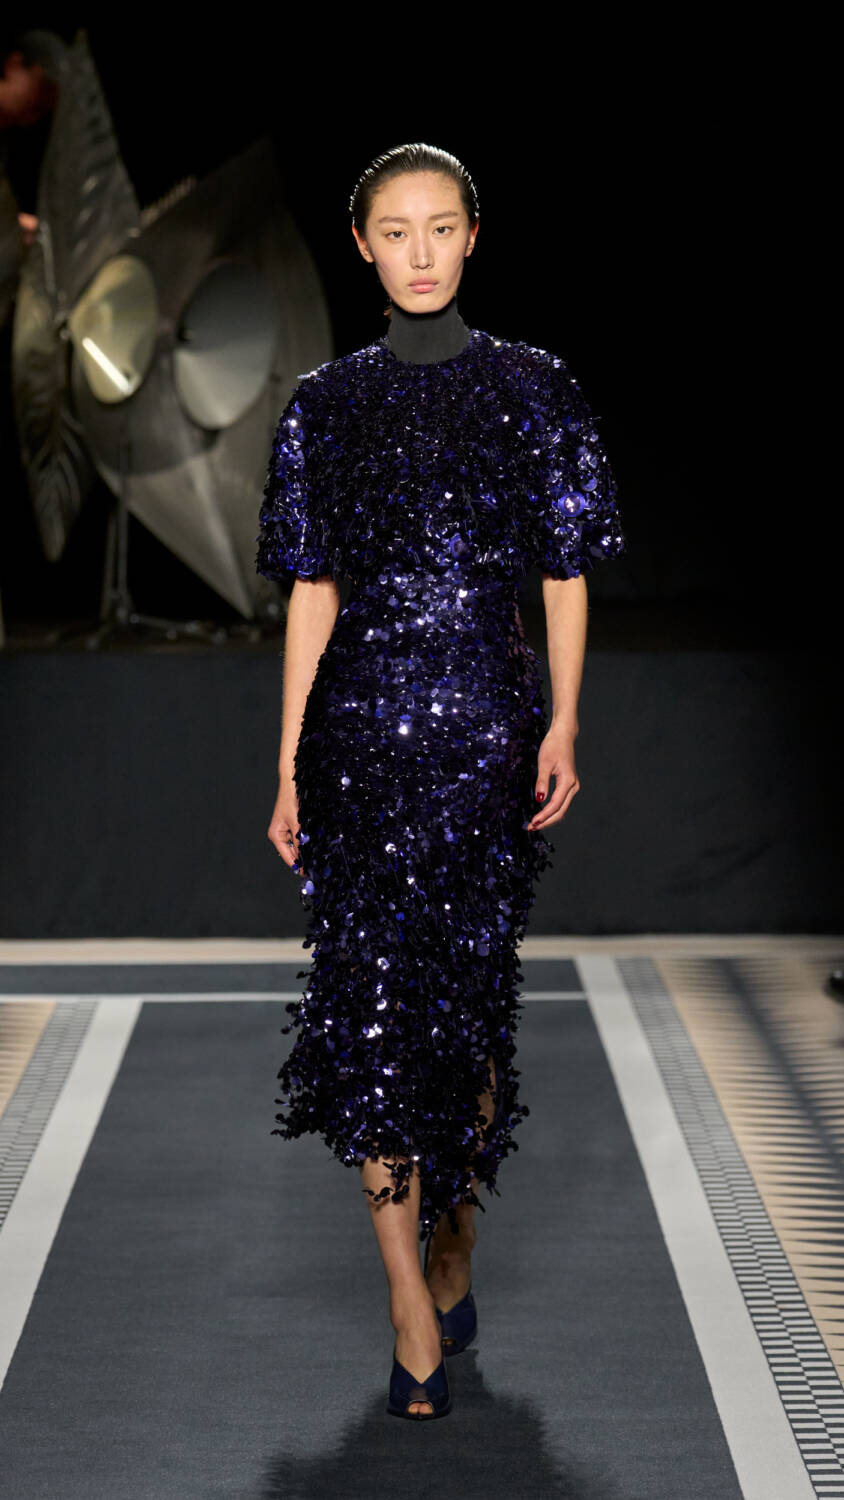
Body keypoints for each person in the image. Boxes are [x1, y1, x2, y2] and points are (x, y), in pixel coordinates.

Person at [255, 142, 626, 1420]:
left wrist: (563, 721)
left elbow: (564, 572)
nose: (419, 252)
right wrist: (288, 764)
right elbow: (311, 593)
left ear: (473, 236)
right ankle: (407, 1298)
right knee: (368, 1011)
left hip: (485, 737)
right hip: (356, 739)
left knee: (464, 1015)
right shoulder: (324, 404)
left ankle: (454, 1222)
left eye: (441, 227)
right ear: (362, 245)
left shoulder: (534, 388)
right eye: (395, 230)